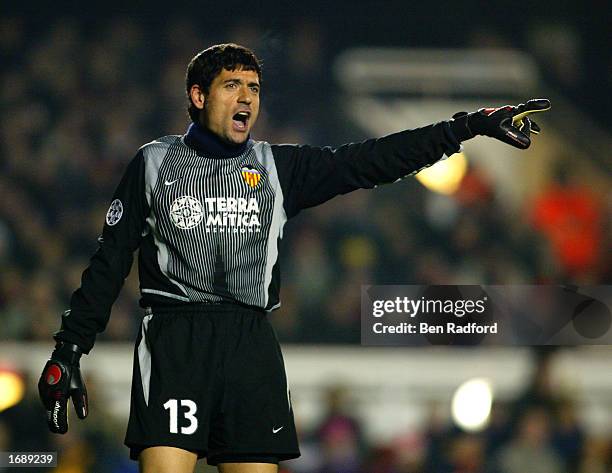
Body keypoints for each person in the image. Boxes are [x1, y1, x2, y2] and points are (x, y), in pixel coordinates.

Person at [37, 43, 551, 473]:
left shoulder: (278, 168)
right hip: (176, 341)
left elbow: (371, 160)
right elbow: (110, 261)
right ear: (197, 96)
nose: (247, 98)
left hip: (251, 345)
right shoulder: (153, 164)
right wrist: (69, 349)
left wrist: (464, 127)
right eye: (232, 85)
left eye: (254, 88)